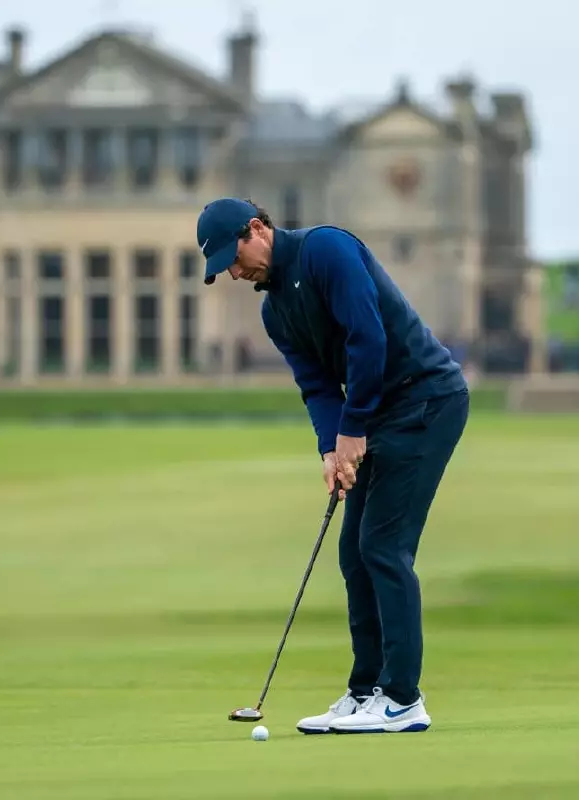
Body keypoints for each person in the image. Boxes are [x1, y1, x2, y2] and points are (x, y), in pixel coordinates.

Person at [196, 197, 470, 734]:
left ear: (259, 229)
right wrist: (331, 448)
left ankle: (402, 699)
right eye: (225, 265)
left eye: (235, 254)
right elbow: (317, 386)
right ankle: (365, 689)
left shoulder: (327, 250)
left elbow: (368, 339)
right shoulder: (274, 310)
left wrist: (353, 430)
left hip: (426, 400)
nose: (234, 270)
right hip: (378, 413)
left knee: (383, 546)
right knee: (353, 552)